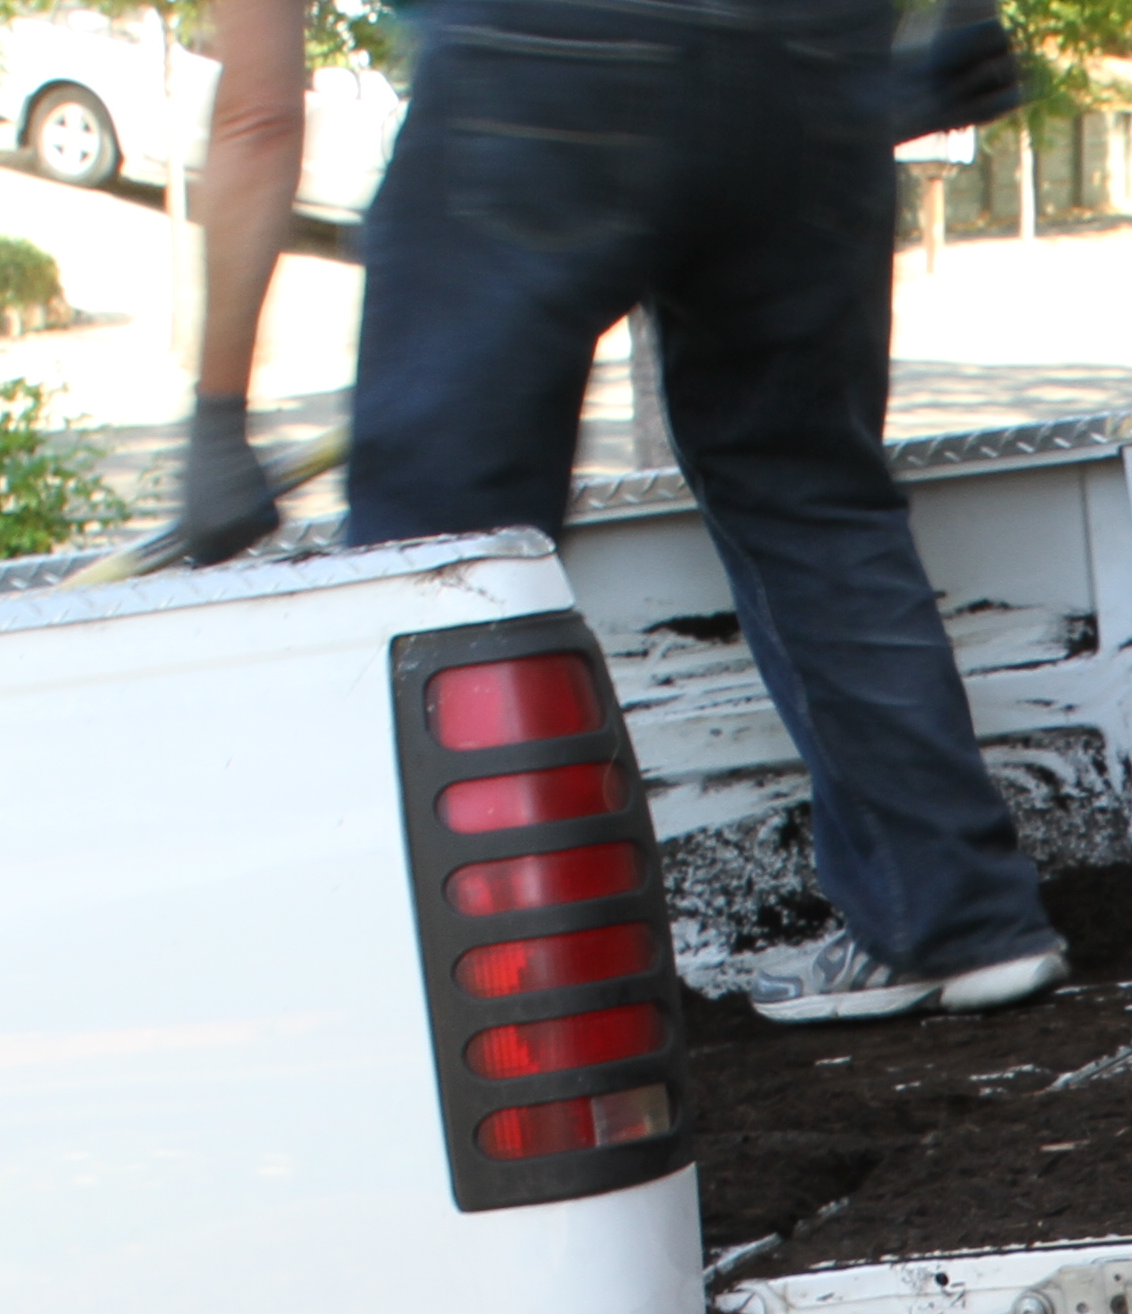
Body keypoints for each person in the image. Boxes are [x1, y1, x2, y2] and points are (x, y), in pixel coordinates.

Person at [178, 0, 1065, 1027]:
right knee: (806, 486)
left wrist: (215, 417)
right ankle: (962, 921)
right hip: (808, 60)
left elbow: (256, 116)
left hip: (545, 66)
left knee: (441, 559)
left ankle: (500, 991)